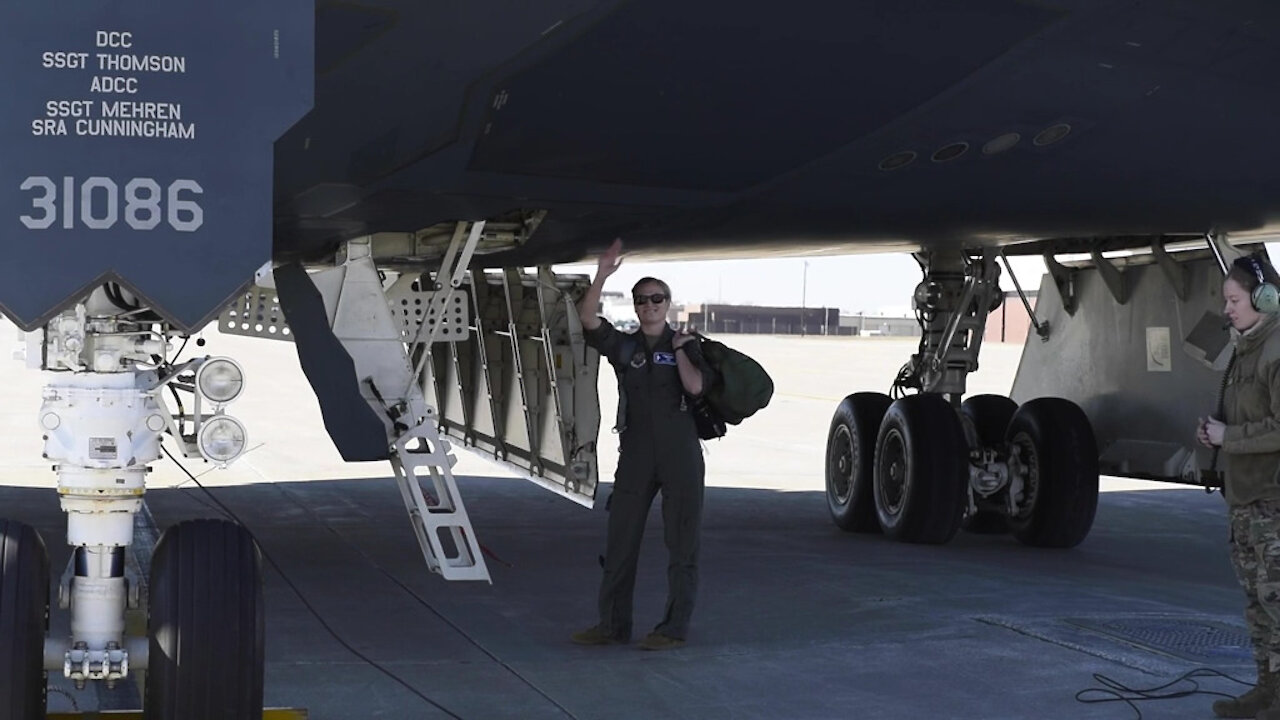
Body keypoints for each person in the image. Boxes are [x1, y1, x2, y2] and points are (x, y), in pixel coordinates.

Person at [570, 238, 716, 651]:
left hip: (680, 454)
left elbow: (695, 386)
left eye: (656, 298)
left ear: (667, 303)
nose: (649, 305)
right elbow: (587, 319)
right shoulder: (626, 347)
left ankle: (672, 628)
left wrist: (683, 350)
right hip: (636, 453)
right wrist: (602, 274)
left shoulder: (687, 345)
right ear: (635, 306)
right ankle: (612, 625)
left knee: (682, 544)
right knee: (621, 541)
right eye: (642, 300)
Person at [1199, 254, 1280, 719]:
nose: (1227, 308)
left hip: (1272, 503)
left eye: (1234, 299)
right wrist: (1215, 432)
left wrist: (1232, 438)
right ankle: (1266, 692)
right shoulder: (1245, 349)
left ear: (1264, 298)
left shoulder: (1276, 351)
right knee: (1258, 606)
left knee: (1278, 608)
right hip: (1246, 502)